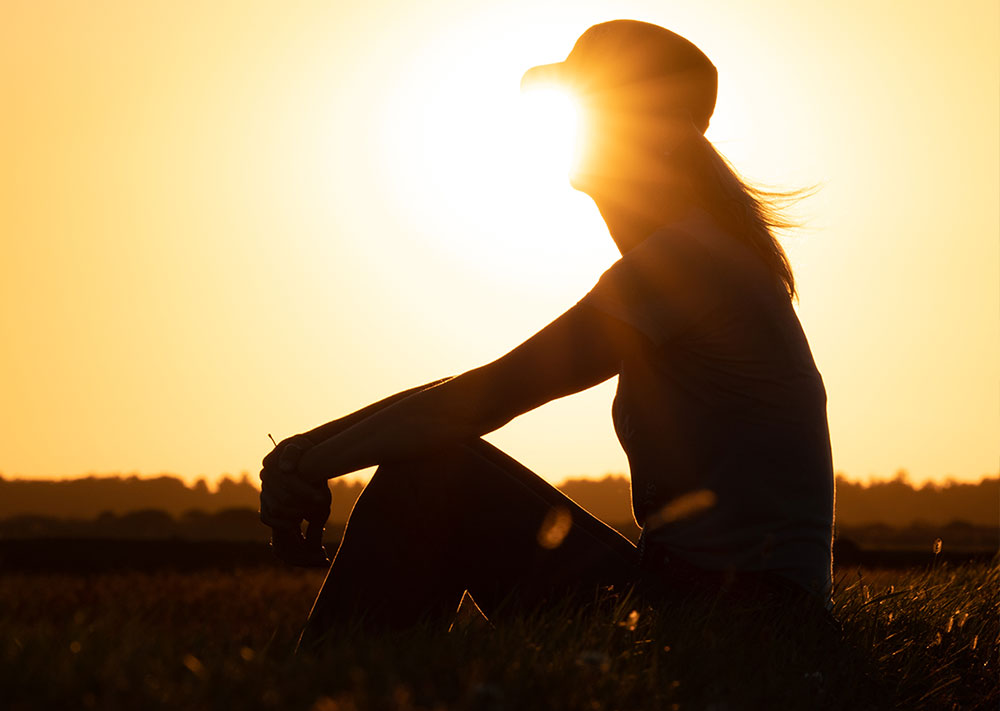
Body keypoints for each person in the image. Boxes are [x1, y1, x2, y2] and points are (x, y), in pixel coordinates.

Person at [259, 20, 835, 650]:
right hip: (725, 608)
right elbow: (468, 392)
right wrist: (304, 452)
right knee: (437, 457)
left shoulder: (684, 264)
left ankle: (326, 694)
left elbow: (491, 394)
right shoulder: (697, 253)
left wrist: (309, 463)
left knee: (434, 473)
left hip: (730, 622)